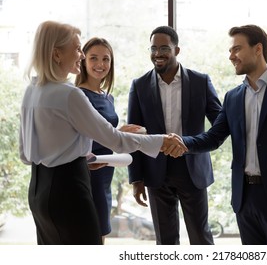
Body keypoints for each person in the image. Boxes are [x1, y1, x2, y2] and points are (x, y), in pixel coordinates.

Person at [19, 20, 187, 245]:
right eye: (77, 49)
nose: (81, 55)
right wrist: (162, 141)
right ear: (57, 54)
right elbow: (115, 140)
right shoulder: (70, 94)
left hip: (38, 189)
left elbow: (25, 153)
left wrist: (82, 155)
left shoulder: (32, 90)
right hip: (69, 188)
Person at [179, 24, 267, 245]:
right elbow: (213, 137)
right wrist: (180, 142)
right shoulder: (232, 97)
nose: (231, 56)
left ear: (258, 49)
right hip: (244, 198)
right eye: (230, 51)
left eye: (236, 49)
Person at [127, 25, 222, 245]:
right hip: (155, 171)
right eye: (153, 49)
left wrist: (194, 144)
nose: (157, 54)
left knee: (201, 237)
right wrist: (136, 178)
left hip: (192, 169)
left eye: (163, 48)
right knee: (166, 241)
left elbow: (220, 124)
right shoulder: (139, 86)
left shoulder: (200, 82)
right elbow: (134, 134)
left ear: (176, 50)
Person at [75, 37, 139, 244]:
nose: (100, 64)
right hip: (86, 174)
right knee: (86, 235)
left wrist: (123, 135)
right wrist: (119, 133)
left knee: (101, 234)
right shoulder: (76, 95)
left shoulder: (107, 97)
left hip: (105, 175)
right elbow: (79, 138)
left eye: (106, 59)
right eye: (93, 58)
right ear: (83, 61)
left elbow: (107, 135)